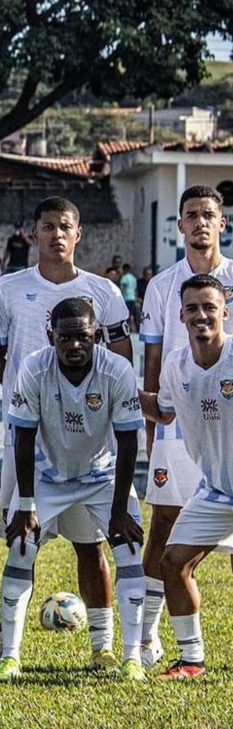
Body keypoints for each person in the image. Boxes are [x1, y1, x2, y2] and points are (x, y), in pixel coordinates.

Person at [0, 195, 133, 671]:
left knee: (91, 545)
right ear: (33, 233)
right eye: (47, 226)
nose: (56, 235)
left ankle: (104, 648)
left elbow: (122, 359)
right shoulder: (8, 289)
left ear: (78, 233)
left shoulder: (104, 291)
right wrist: (27, 398)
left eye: (64, 226)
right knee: (22, 541)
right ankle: (10, 654)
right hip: (27, 439)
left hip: (89, 441)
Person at [137, 184, 233, 669]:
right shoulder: (162, 285)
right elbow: (154, 365)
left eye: (208, 214)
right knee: (164, 532)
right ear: (179, 225)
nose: (200, 222)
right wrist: (148, 427)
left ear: (222, 223)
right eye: (191, 215)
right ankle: (150, 638)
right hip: (185, 425)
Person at [119, 263, 138, 332]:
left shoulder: (124, 278)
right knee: (131, 314)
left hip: (126, 298)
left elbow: (123, 288)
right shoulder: (133, 278)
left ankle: (127, 328)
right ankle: (132, 328)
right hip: (132, 297)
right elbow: (135, 289)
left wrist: (120, 295)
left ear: (124, 269)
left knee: (126, 314)